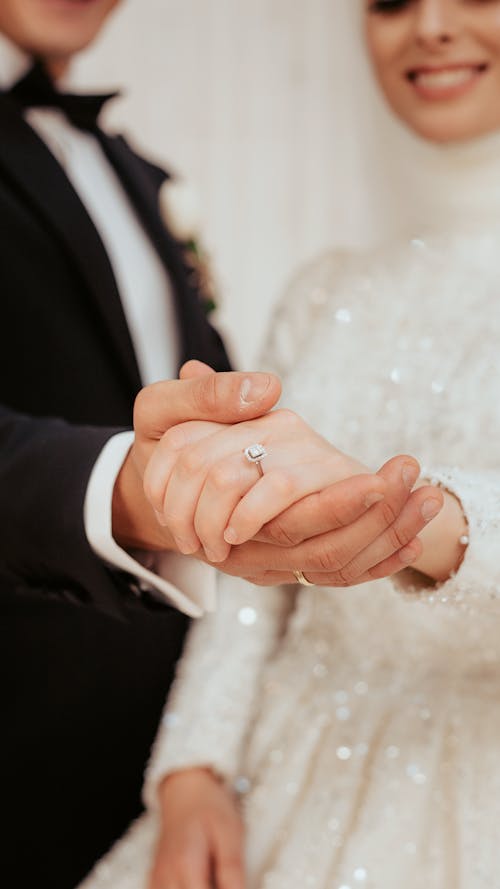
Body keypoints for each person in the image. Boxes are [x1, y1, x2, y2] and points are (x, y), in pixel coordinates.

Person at [0, 2, 433, 887]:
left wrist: (192, 759)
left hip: (177, 774)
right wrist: (123, 486)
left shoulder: (136, 172)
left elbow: (218, 433)